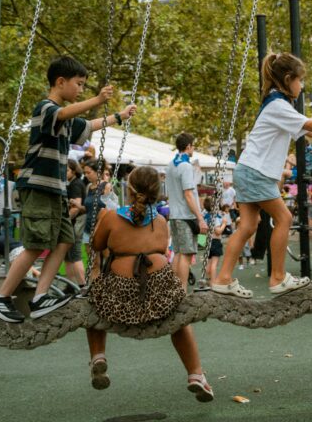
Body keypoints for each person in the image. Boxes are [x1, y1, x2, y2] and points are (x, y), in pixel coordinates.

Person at [0, 56, 137, 323]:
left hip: (56, 191)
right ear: (60, 82)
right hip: (38, 187)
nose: (81, 90)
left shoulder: (66, 121)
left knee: (65, 239)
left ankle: (40, 297)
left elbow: (89, 125)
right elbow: (65, 113)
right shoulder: (45, 108)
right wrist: (98, 100)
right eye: (79, 84)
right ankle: (1, 297)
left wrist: (119, 116)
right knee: (35, 244)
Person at [212, 52, 312, 298]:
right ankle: (277, 277)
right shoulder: (278, 104)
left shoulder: (275, 102)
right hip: (256, 172)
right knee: (284, 219)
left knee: (248, 226)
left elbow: (309, 132)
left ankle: (223, 278)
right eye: (300, 81)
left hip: (248, 170)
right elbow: (310, 125)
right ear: (288, 79)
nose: (301, 86)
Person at [85, 167, 213, 401]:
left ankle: (98, 356)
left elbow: (95, 245)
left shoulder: (112, 217)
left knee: (92, 304)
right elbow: (163, 249)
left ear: (130, 191)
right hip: (159, 293)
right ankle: (196, 374)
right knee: (179, 318)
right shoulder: (161, 221)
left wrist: (102, 222)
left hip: (120, 294)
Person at [165, 133, 209, 289]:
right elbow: (189, 194)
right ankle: (181, 290)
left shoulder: (170, 165)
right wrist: (200, 218)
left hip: (175, 215)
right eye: (193, 145)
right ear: (188, 146)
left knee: (177, 253)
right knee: (186, 255)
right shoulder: (185, 166)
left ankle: (175, 290)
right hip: (186, 216)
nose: (194, 148)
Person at [65, 159, 86, 287]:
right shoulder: (72, 183)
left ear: (74, 171)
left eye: (67, 170)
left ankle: (82, 285)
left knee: (75, 255)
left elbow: (76, 207)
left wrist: (65, 220)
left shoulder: (76, 184)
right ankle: (70, 285)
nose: (64, 172)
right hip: (72, 224)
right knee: (68, 257)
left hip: (75, 224)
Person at [202, 197, 225, 282]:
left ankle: (208, 280)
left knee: (209, 263)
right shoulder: (215, 217)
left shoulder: (205, 216)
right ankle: (213, 282)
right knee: (214, 264)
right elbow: (218, 231)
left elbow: (203, 231)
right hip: (215, 241)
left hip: (208, 241)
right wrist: (224, 224)